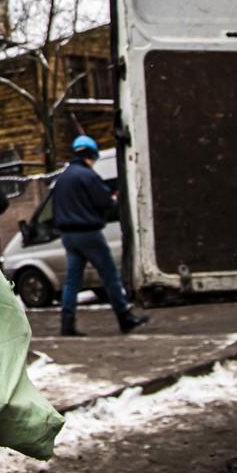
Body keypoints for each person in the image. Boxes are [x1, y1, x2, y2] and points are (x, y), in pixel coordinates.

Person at [52, 135, 149, 336]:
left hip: (69, 236)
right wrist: (113, 199)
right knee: (110, 276)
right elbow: (105, 202)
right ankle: (125, 318)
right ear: (91, 155)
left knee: (72, 282)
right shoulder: (87, 176)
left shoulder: (62, 177)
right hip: (89, 234)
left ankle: (67, 324)